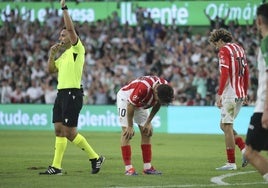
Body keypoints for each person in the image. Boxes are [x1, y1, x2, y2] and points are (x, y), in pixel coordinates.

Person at [39, 0, 104, 175]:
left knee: (69, 132)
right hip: (61, 94)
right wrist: (51, 55)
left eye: (64, 35)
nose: (61, 37)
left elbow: (71, 29)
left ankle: (95, 158)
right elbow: (51, 70)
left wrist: (64, 9)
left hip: (72, 93)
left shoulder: (77, 49)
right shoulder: (64, 55)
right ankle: (56, 167)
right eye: (60, 36)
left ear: (71, 37)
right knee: (59, 130)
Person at [208, 28, 249, 170]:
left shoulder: (224, 50)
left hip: (230, 93)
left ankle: (231, 163)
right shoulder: (240, 49)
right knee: (224, 126)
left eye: (215, 44)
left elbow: (225, 73)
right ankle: (244, 150)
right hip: (240, 92)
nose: (216, 47)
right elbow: (246, 72)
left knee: (227, 126)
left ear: (220, 40)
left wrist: (219, 94)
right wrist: (246, 91)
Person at [116, 75, 174, 175]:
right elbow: (131, 105)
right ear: (155, 92)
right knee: (127, 133)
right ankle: (128, 168)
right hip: (126, 99)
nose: (160, 102)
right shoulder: (144, 87)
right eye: (159, 100)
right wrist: (130, 126)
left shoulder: (165, 89)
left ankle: (147, 168)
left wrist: (148, 122)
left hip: (141, 102)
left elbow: (158, 104)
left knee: (147, 132)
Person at [244, 3, 268, 182]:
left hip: (263, 107)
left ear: (259, 20)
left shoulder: (266, 42)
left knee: (250, 152)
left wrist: (266, 108)